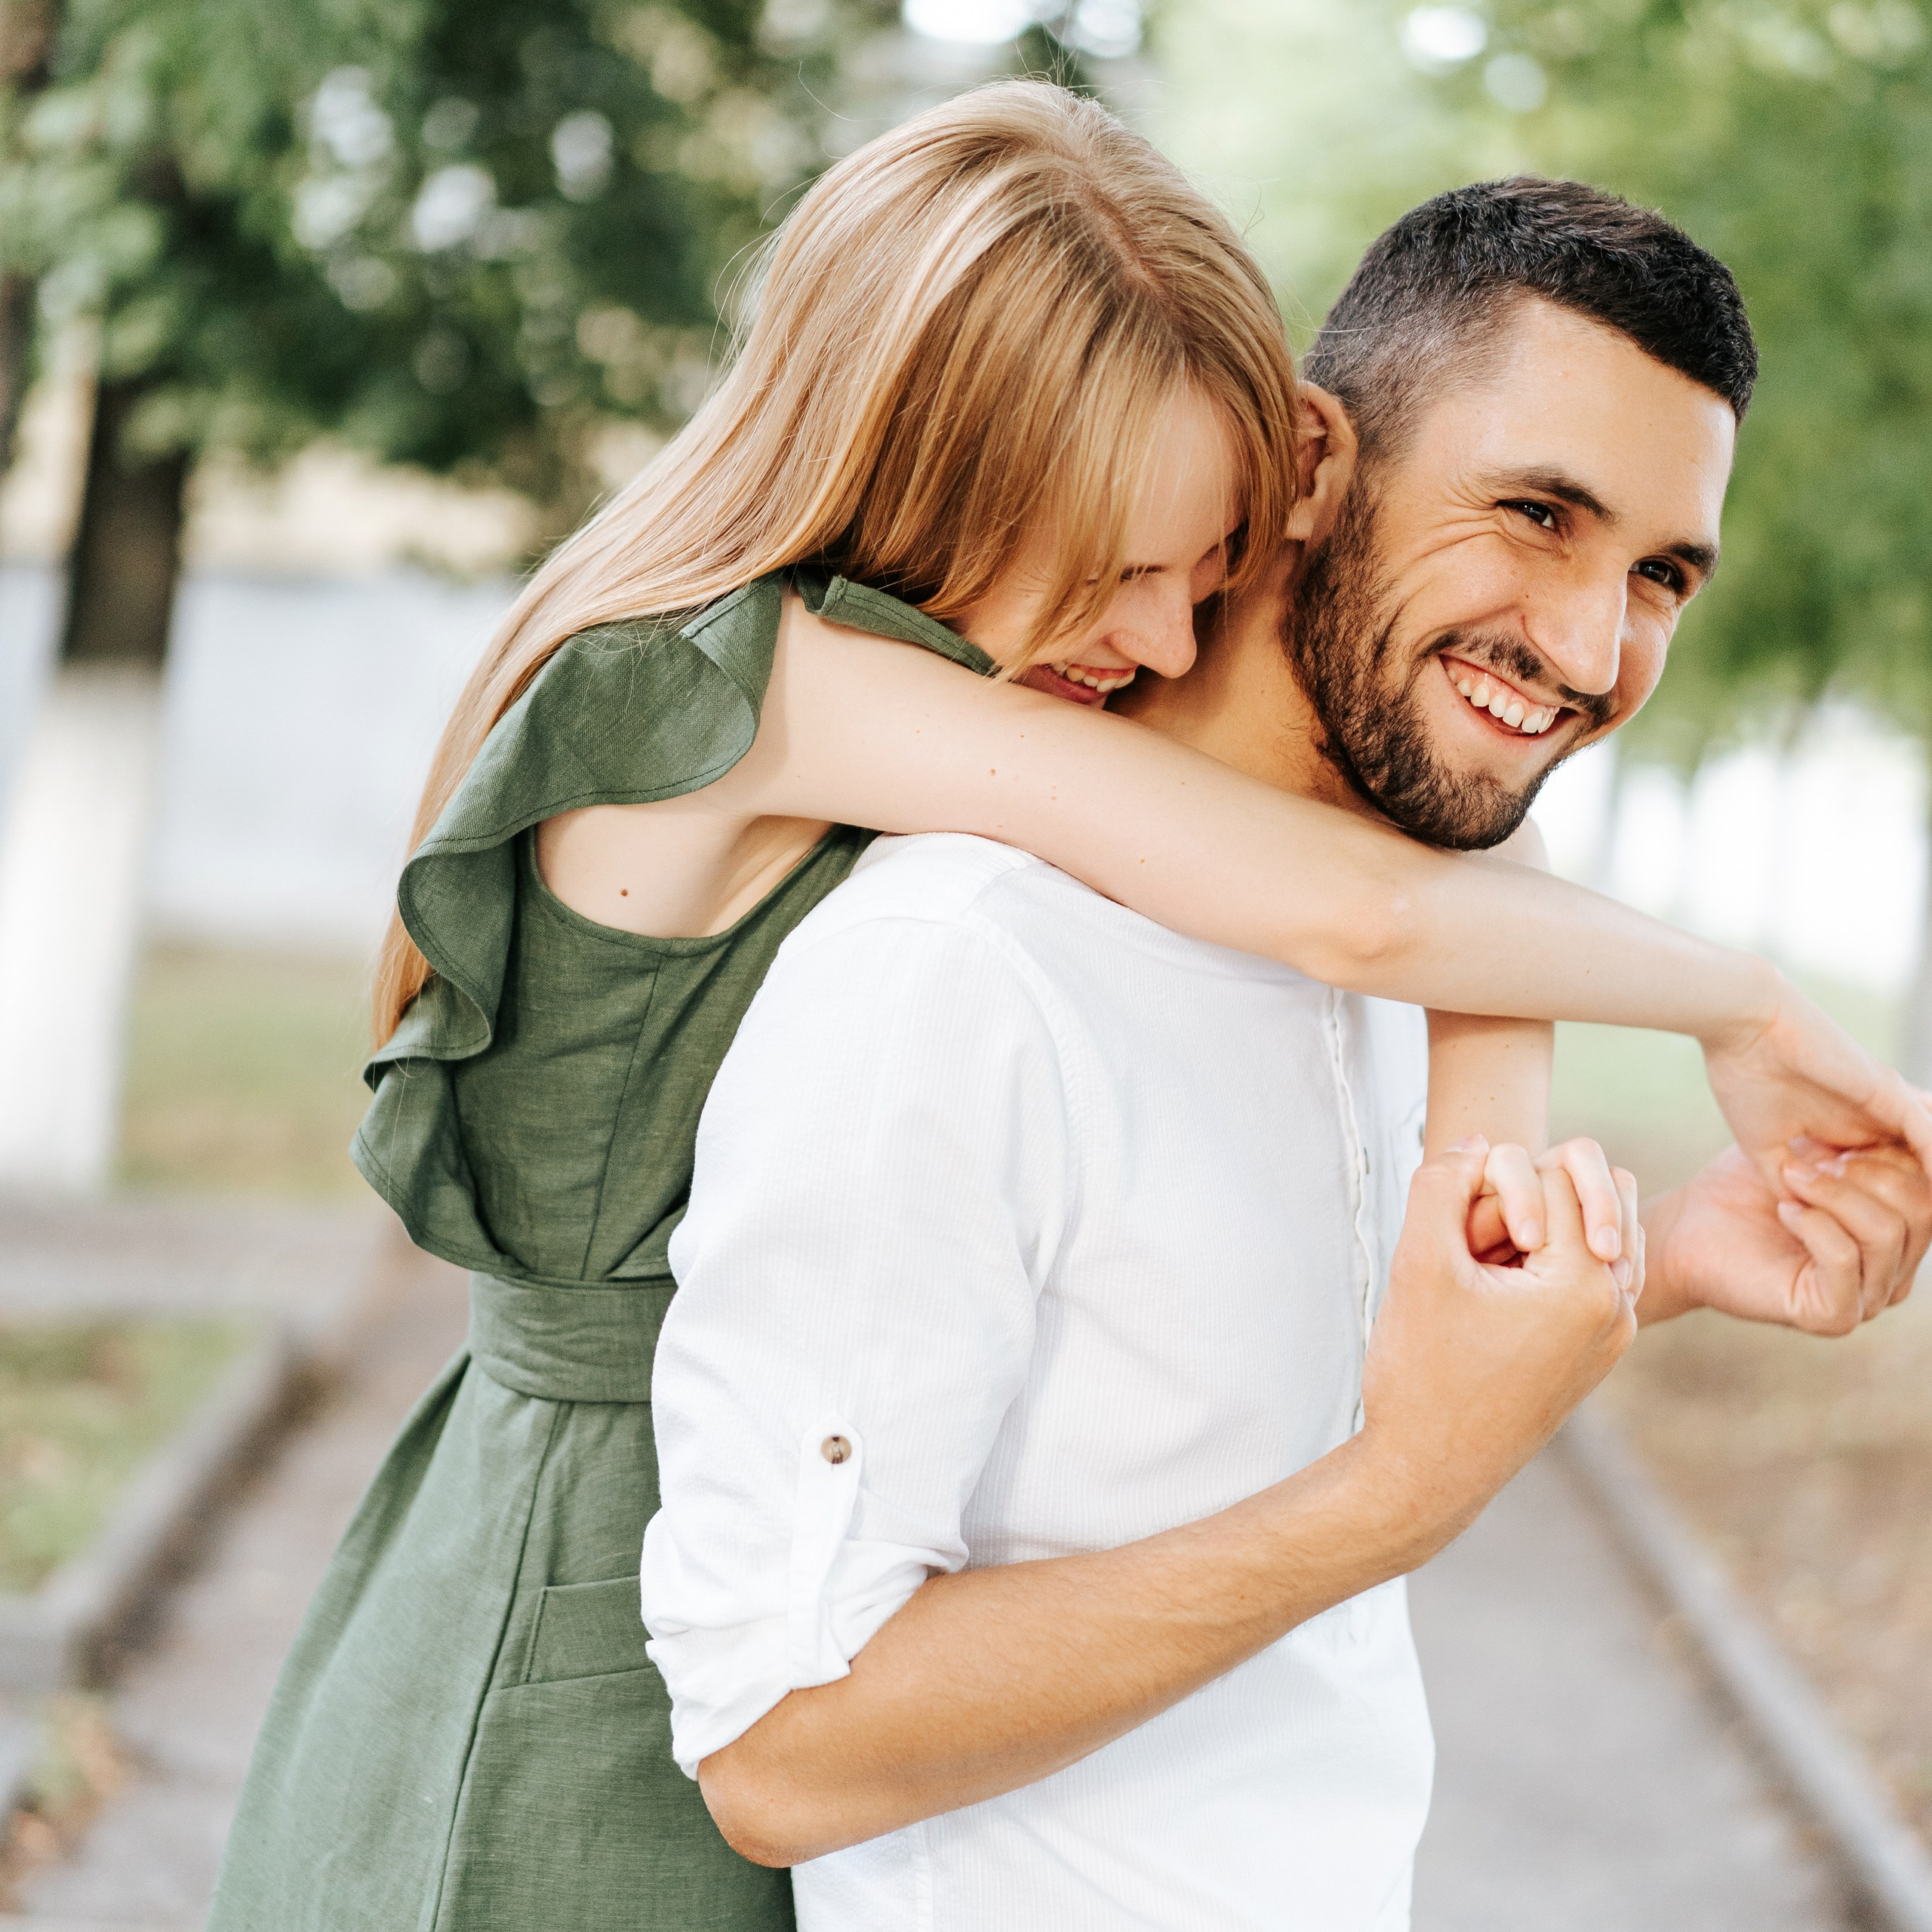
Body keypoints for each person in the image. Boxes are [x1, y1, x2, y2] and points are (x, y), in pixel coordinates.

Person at [211, 90, 1925, 1932]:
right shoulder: (776, 709)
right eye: (1119, 558)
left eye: (1200, 564)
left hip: (772, 1613)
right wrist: (1736, 1005)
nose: (1169, 637)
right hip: (553, 1675)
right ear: (940, 473)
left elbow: (1335, 1060)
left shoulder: (1081, 806)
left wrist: (1626, 1263)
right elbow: (1368, 915)